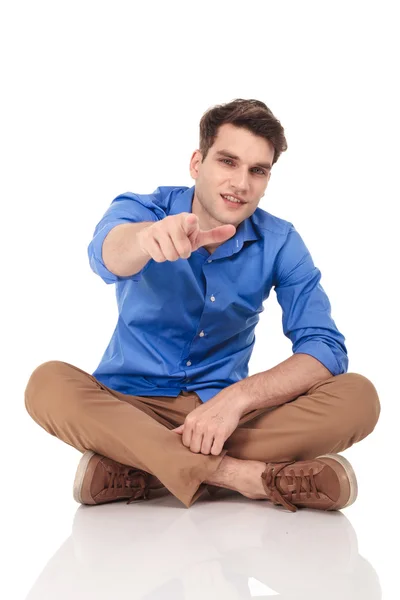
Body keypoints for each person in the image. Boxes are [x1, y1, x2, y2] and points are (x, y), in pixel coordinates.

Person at [24, 98, 380, 512]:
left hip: (224, 419)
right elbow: (105, 254)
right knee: (46, 384)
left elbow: (324, 347)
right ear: (197, 163)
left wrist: (237, 400)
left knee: (359, 397)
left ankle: (139, 467)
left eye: (257, 170)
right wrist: (146, 239)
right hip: (131, 407)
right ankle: (247, 477)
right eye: (228, 162)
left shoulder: (281, 242)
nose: (241, 184)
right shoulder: (144, 210)